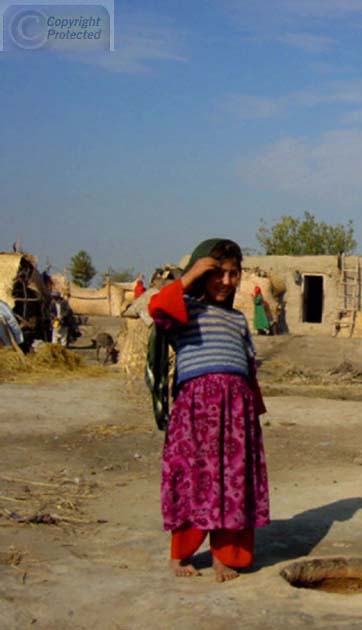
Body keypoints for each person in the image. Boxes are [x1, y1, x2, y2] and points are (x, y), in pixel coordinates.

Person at [148, 238, 270, 582]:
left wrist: (252, 415)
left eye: (233, 274)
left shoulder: (237, 320)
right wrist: (191, 275)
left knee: (233, 482)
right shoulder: (185, 310)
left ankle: (225, 557)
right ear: (201, 273)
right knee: (193, 479)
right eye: (217, 273)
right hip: (197, 414)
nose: (226, 282)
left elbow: (249, 368)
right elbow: (157, 308)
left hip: (236, 416)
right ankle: (181, 554)